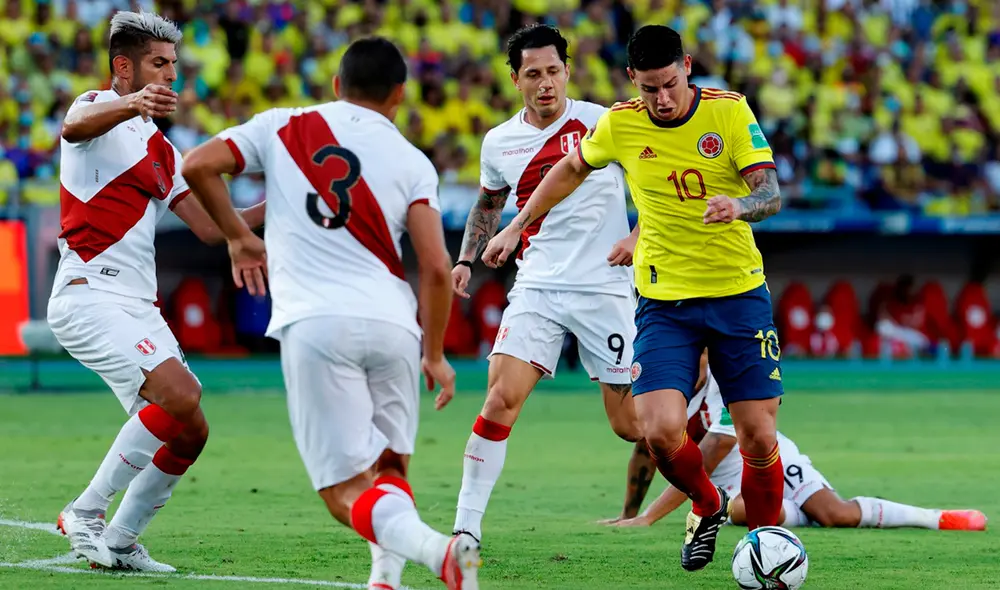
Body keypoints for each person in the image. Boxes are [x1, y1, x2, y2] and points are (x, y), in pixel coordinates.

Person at [181, 37, 481, 590]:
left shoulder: (282, 126)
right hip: (395, 326)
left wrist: (240, 238)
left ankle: (440, 552)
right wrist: (434, 353)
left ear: (337, 86)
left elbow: (198, 166)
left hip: (317, 324)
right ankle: (384, 580)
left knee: (343, 492)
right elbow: (437, 269)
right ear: (399, 95)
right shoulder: (413, 160)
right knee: (390, 470)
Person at [482, 24, 785, 572]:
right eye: (649, 88)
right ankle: (709, 502)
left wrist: (740, 207)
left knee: (758, 435)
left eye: (669, 84)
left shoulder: (729, 110)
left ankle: (767, 547)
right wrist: (515, 224)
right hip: (664, 303)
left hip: (737, 293)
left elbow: (770, 191)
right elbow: (570, 169)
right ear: (632, 81)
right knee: (657, 429)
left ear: (687, 67)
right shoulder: (621, 123)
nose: (661, 99)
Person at [48, 11, 266, 572]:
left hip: (139, 308)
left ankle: (120, 540)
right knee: (182, 396)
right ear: (124, 68)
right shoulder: (93, 107)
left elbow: (213, 228)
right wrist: (133, 103)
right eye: (158, 65)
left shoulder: (160, 149)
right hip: (88, 294)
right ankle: (85, 513)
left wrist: (287, 203)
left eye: (173, 67)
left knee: (191, 428)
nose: (170, 77)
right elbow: (72, 130)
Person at [449, 24, 653, 543]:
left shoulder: (603, 121)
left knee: (632, 426)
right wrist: (467, 258)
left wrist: (636, 235)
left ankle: (709, 483)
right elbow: (489, 203)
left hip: (605, 288)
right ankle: (465, 532)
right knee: (498, 400)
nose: (546, 84)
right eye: (533, 74)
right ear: (515, 78)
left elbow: (660, 189)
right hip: (538, 286)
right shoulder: (499, 141)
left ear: (568, 71)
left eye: (554, 72)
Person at [609, 353, 988, 533]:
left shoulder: (725, 385)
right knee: (739, 511)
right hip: (721, 489)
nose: (697, 358)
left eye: (704, 351)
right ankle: (793, 512)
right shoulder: (660, 390)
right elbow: (646, 449)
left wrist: (648, 519)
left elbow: (706, 458)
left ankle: (936, 517)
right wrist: (629, 514)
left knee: (835, 515)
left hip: (760, 459)